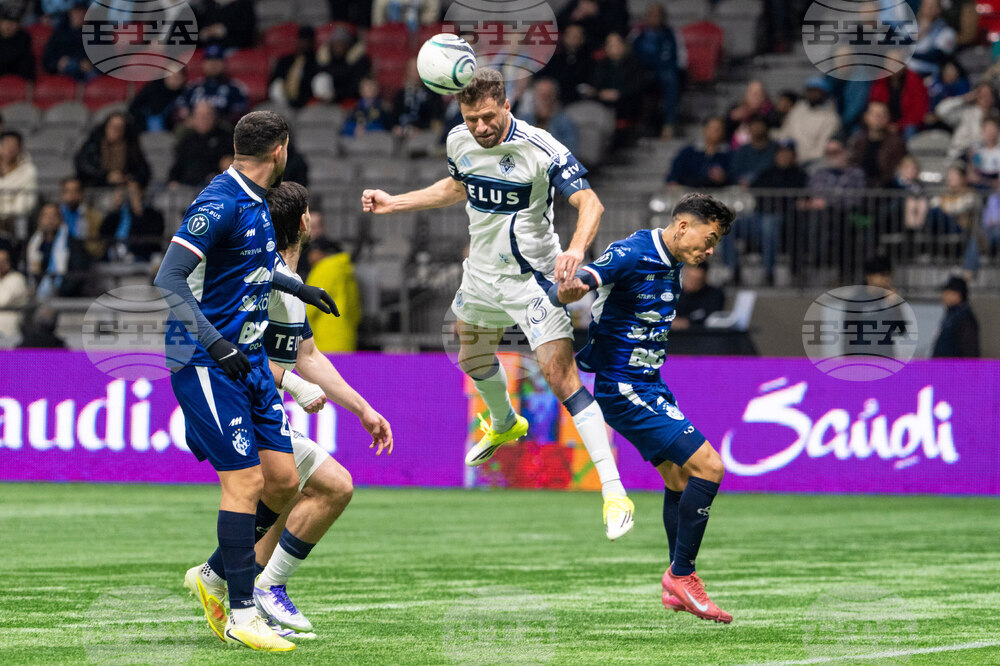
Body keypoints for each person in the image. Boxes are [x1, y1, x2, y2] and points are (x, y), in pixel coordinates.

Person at [361, 68, 635, 540]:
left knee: (559, 376)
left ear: (507, 106)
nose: (481, 127)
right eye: (471, 119)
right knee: (470, 355)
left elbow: (590, 205)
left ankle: (613, 492)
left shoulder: (541, 148)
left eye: (488, 116)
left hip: (535, 280)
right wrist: (395, 202)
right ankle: (505, 422)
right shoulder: (458, 141)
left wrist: (574, 249)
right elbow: (455, 187)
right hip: (482, 275)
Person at [154, 110, 338, 651]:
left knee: (283, 481)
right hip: (208, 360)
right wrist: (216, 344)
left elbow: (252, 264)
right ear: (280, 149)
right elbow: (167, 278)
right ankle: (241, 612)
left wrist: (299, 290)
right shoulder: (220, 201)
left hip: (250, 361)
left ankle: (211, 576)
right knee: (247, 484)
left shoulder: (257, 202)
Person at [186, 181, 392, 638]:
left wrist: (362, 409)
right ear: (303, 222)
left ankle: (232, 582)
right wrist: (294, 385)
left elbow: (309, 355)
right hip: (235, 398)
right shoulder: (264, 276)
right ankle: (259, 588)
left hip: (259, 404)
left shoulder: (290, 282)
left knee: (288, 490)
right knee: (329, 487)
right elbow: (243, 350)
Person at [548, 192, 735, 623]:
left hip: (650, 384)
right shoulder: (634, 252)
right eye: (709, 239)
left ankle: (675, 586)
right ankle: (683, 576)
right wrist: (573, 286)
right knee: (711, 468)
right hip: (625, 389)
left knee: (680, 478)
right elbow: (591, 277)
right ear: (684, 226)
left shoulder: (673, 263)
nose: (709, 251)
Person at [629, 4, 686, 137]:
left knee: (670, 78)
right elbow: (629, 55)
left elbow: (681, 58)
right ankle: (640, 124)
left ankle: (669, 123)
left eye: (658, 15)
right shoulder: (638, 34)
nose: (655, 18)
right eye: (652, 15)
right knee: (633, 82)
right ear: (646, 17)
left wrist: (676, 69)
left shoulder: (671, 33)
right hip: (642, 70)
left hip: (664, 70)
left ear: (663, 17)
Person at [305, 243, 362, 352]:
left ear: (321, 253)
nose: (310, 256)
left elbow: (311, 303)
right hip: (346, 334)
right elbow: (355, 308)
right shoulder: (346, 269)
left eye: (313, 251)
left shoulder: (324, 269)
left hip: (325, 336)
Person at [73, 111, 151, 188]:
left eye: (119, 128)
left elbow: (143, 171)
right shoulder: (93, 143)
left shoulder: (131, 146)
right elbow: (83, 166)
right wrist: (106, 177)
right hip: (95, 187)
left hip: (122, 188)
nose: (115, 131)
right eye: (112, 127)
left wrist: (130, 178)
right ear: (106, 127)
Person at [175, 44, 249, 125]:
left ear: (224, 63)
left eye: (217, 61)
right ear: (203, 64)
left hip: (222, 129)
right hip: (193, 127)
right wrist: (192, 119)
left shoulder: (235, 87)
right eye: (209, 61)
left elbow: (240, 114)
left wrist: (212, 121)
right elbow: (179, 110)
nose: (213, 65)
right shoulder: (193, 86)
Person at [777, 77, 842, 165]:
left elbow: (822, 148)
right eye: (809, 90)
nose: (811, 94)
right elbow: (786, 133)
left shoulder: (831, 118)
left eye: (815, 91)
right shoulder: (797, 109)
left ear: (824, 93)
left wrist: (804, 160)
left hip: (814, 163)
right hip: (791, 160)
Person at [168, 101, 234, 187]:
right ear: (193, 119)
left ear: (214, 117)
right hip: (187, 187)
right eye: (199, 115)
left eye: (207, 115)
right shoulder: (187, 140)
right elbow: (177, 167)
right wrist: (173, 181)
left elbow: (230, 165)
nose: (203, 119)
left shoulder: (226, 138)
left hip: (214, 187)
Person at [98, 179, 165, 262]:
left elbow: (153, 237)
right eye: (127, 193)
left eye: (133, 193)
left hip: (142, 255)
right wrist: (114, 208)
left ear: (141, 192)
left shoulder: (153, 215)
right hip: (116, 254)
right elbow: (103, 232)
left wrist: (138, 214)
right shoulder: (119, 214)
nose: (130, 197)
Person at [848, 101, 907, 188]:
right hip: (859, 192)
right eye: (874, 114)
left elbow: (896, 172)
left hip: (886, 192)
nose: (878, 117)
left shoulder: (896, 144)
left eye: (882, 114)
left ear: (888, 118)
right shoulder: (857, 142)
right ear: (866, 117)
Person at [936, 83, 997, 160]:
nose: (985, 98)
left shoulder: (996, 116)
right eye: (982, 94)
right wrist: (964, 98)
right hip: (961, 155)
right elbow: (941, 110)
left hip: (988, 157)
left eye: (989, 95)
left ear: (993, 98)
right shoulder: (965, 112)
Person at [518, 78, 578, 156]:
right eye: (540, 94)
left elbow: (572, 151)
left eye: (548, 95)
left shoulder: (565, 122)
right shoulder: (524, 119)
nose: (543, 98)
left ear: (555, 96)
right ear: (534, 96)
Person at [665, 117, 730, 188]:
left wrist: (723, 178)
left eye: (719, 129)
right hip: (689, 194)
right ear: (704, 129)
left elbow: (733, 177)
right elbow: (674, 174)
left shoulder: (728, 154)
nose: (715, 131)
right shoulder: (689, 152)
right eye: (712, 128)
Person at [868, 63, 929, 138]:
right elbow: (876, 104)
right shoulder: (881, 80)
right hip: (885, 121)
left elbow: (918, 111)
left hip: (906, 124)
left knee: (910, 129)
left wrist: (900, 125)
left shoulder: (914, 81)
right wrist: (886, 123)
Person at [269, 26, 322, 110]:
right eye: (302, 40)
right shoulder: (285, 60)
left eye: (307, 41)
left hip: (305, 103)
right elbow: (273, 81)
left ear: (312, 42)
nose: (304, 43)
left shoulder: (316, 61)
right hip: (283, 101)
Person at [42, 1, 94, 80]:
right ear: (70, 13)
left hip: (88, 74)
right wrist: (58, 63)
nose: (78, 16)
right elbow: (47, 61)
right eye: (76, 12)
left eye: (82, 13)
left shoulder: (97, 32)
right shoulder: (60, 33)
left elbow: (108, 60)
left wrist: (91, 64)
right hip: (65, 72)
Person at [931, 276, 979, 357]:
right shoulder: (951, 315)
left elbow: (970, 352)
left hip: (954, 368)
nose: (943, 296)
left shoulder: (964, 318)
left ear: (957, 295)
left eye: (947, 293)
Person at [0, 130, 37, 234]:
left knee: (21, 220)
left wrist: (4, 215)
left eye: (14, 145)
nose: (10, 149)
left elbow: (27, 202)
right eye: (7, 144)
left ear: (20, 148)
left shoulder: (28, 171)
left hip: (14, 222)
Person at [673, 263, 725, 330]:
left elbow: (711, 319)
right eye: (689, 278)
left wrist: (686, 323)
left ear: (704, 279)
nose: (692, 283)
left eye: (697, 280)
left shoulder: (714, 295)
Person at [730, 116, 776, 186]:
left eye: (760, 126)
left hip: (769, 189)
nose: (757, 128)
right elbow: (735, 171)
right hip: (745, 190)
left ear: (766, 128)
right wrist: (740, 180)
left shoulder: (775, 148)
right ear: (749, 129)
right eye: (754, 126)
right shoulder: (742, 150)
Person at [0, 248, 27, 345]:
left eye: (3, 261)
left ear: (8, 263)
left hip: (9, 331)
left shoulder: (17, 279)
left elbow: (3, 300)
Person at [0, 9, 34, 80]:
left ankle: (28, 87)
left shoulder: (24, 37)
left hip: (16, 67)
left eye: (13, 23)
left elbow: (21, 56)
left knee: (28, 59)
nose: (9, 26)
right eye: (6, 22)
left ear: (18, 26)